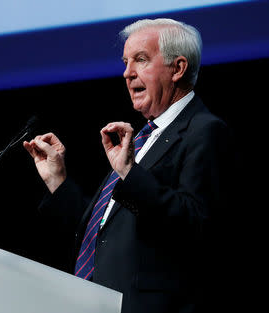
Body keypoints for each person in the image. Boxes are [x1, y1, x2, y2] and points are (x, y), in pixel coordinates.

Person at [23, 18, 234, 313]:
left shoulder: (204, 131)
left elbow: (194, 225)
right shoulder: (145, 138)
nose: (126, 72)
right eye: (125, 62)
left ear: (178, 68)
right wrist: (58, 181)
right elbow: (103, 234)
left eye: (141, 60)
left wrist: (130, 174)